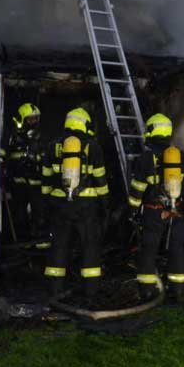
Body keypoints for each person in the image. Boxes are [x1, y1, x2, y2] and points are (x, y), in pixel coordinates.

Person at [127, 113, 184, 303]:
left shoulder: (145, 158)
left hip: (153, 212)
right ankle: (176, 290)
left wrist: (133, 211)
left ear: (151, 132)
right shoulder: (179, 155)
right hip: (175, 211)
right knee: (177, 249)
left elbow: (137, 189)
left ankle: (147, 292)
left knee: (149, 250)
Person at [40, 107, 110, 296]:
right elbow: (100, 180)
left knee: (59, 247)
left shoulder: (52, 145)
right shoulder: (93, 147)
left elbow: (46, 180)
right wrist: (105, 205)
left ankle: (55, 290)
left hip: (59, 206)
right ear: (85, 124)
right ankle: (91, 292)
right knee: (90, 247)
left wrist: (46, 203)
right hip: (86, 208)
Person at [0, 102, 47, 242]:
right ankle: (20, 243)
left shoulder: (41, 137)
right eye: (30, 119)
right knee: (19, 216)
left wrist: (37, 160)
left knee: (40, 215)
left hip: (37, 184)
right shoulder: (12, 136)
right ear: (22, 119)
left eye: (36, 118)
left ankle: (39, 244)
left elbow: (46, 158)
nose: (34, 122)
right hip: (18, 183)